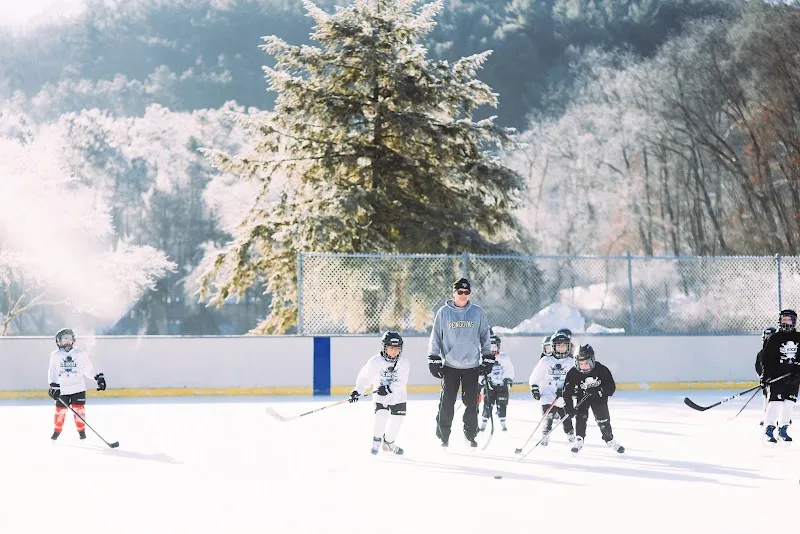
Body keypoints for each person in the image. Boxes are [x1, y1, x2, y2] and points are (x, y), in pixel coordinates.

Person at [428, 278, 493, 448]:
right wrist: (433, 358)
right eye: (460, 292)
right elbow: (436, 337)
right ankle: (443, 435)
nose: (463, 295)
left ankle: (470, 436)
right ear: (454, 293)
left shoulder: (477, 312)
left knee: (472, 404)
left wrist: (488, 357)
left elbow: (485, 335)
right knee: (447, 403)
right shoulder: (443, 313)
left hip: (472, 366)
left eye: (466, 292)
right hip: (450, 366)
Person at [349, 331, 410, 455]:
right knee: (381, 417)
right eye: (391, 348)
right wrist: (357, 390)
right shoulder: (375, 362)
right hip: (381, 398)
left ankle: (389, 442)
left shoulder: (404, 363)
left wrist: (388, 389)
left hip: (398, 397)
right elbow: (366, 378)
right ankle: (376, 442)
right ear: (384, 347)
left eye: (397, 348)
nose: (394, 351)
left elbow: (401, 382)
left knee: (397, 422)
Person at [47, 328, 107, 441]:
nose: (67, 342)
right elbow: (52, 371)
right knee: (60, 411)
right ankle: (57, 431)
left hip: (78, 388)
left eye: (69, 339)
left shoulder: (80, 353)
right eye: (64, 339)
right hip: (62, 390)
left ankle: (82, 432)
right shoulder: (55, 355)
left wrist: (97, 378)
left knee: (79, 410)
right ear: (58, 341)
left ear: (73, 340)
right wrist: (53, 385)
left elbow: (87, 368)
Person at [563, 344, 624, 454]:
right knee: (581, 417)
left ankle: (609, 439)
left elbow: (611, 388)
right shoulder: (572, 373)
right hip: (582, 398)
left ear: (592, 360)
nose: (583, 366)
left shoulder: (601, 370)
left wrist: (599, 390)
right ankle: (579, 439)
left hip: (599, 399)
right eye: (580, 363)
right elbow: (566, 392)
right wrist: (569, 407)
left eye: (586, 363)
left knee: (603, 420)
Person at [760, 309, 800, 443]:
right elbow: (766, 359)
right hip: (777, 378)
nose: (785, 322)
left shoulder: (799, 337)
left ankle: (783, 428)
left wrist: (797, 371)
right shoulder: (775, 338)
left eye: (788, 319)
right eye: (783, 319)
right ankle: (769, 428)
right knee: (775, 403)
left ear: (794, 321)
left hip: (793, 379)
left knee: (789, 403)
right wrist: (765, 376)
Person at [529, 331, 575, 446]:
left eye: (564, 345)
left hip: (564, 397)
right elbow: (535, 376)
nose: (561, 348)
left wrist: (568, 389)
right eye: (559, 345)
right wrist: (534, 388)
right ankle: (545, 434)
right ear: (553, 347)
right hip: (547, 394)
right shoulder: (545, 361)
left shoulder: (571, 362)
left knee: (566, 418)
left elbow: (576, 379)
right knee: (547, 415)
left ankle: (570, 435)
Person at [479, 330, 514, 432]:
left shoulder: (504, 357)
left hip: (501, 386)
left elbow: (509, 369)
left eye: (495, 346)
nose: (493, 349)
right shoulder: (483, 358)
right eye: (491, 346)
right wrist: (484, 381)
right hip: (489, 387)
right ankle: (483, 423)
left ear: (498, 346)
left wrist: (508, 379)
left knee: (502, 405)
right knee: (487, 406)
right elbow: (479, 372)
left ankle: (503, 423)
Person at [756, 326, 777, 426]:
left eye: (770, 335)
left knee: (780, 401)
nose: (768, 337)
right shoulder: (761, 353)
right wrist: (763, 378)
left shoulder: (779, 352)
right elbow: (758, 367)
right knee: (767, 399)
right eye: (766, 335)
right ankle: (766, 418)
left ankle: (782, 418)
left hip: (778, 382)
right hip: (767, 383)